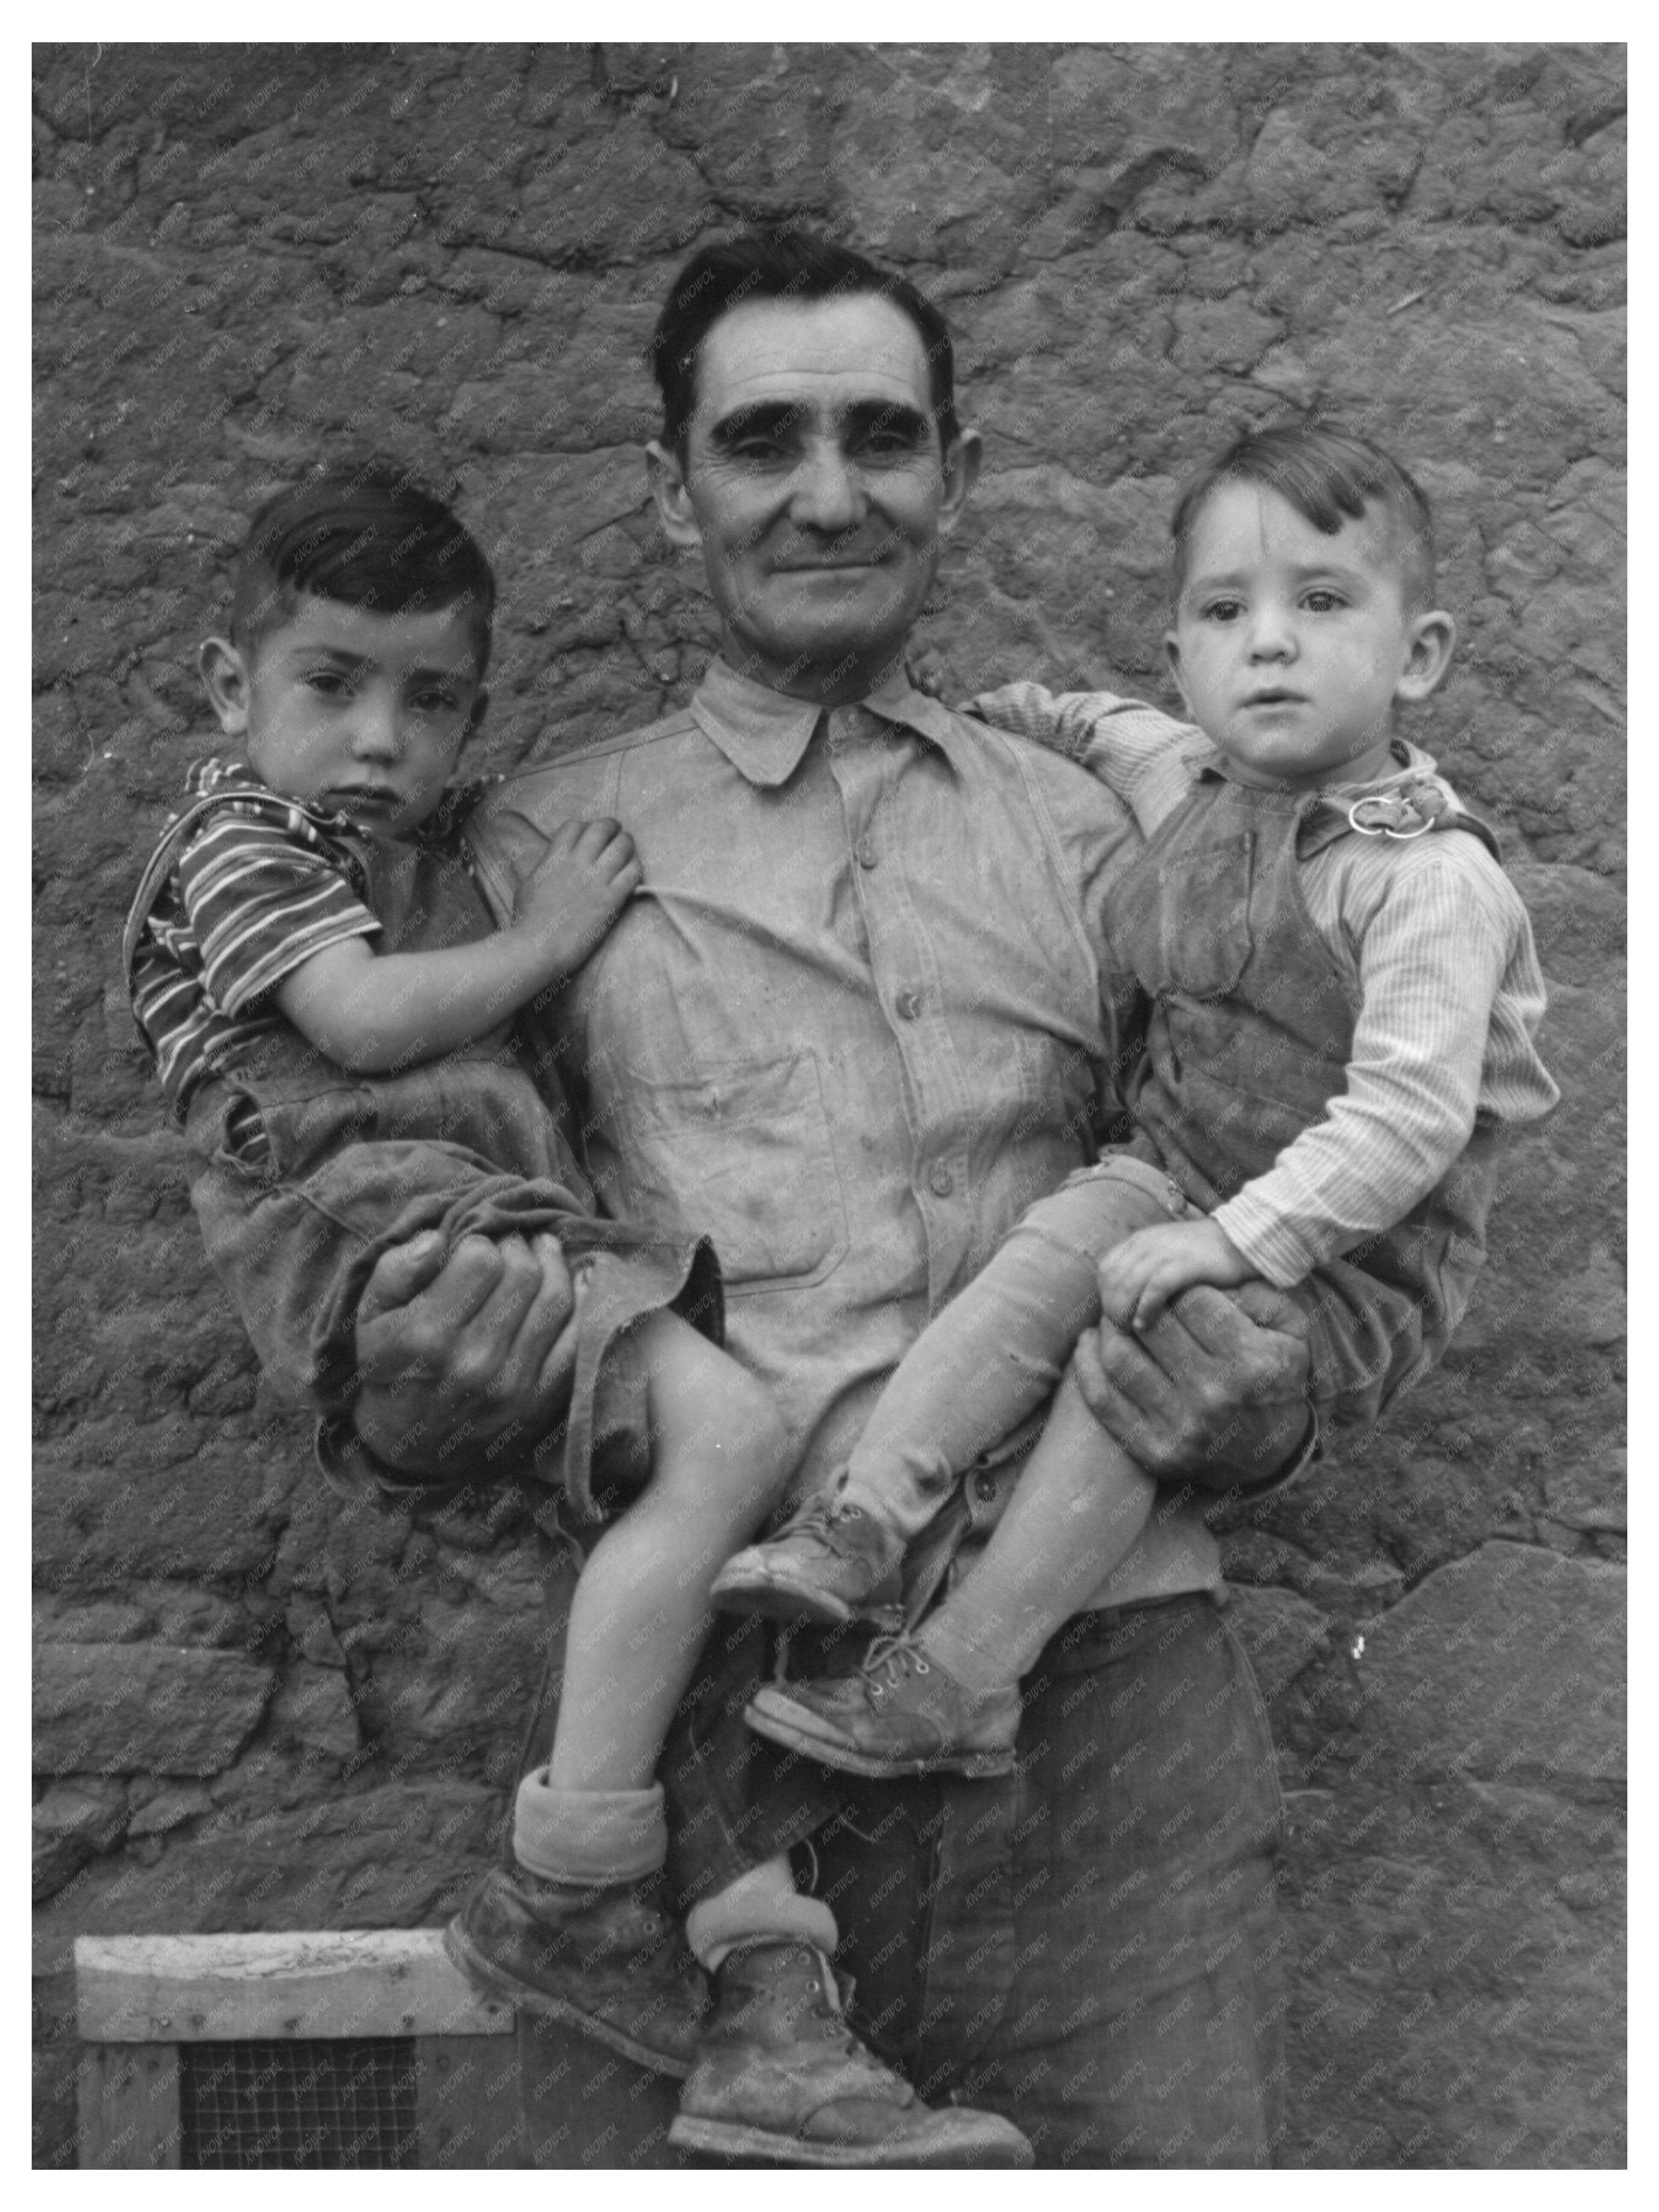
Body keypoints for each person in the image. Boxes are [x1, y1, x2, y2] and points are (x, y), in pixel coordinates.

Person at [237, 231, 1509, 2168]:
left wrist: (1295, 1374)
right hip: (722, 1752)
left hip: (1110, 1713)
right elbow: (376, 1228)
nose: (827, 493)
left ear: (956, 469)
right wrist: (414, 1365)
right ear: (675, 490)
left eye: (879, 438)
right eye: (763, 442)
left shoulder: (1131, 826)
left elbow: (1354, 1159)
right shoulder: (530, 857)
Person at [121, 466, 860, 2093]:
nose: (383, 738)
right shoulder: (244, 840)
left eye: (432, 699)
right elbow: (368, 1026)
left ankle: (752, 1946)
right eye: (334, 684)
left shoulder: (387, 836)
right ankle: (575, 1879)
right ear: (226, 687)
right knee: (730, 1441)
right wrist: (561, 931)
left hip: (472, 1216)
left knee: (666, 1564)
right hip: (384, 1223)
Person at [715, 422, 1557, 1784]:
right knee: (1041, 1256)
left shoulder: (1423, 882)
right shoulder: (1198, 781)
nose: (1269, 644)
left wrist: (1232, 1246)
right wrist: (993, 723)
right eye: (1227, 612)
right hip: (1177, 1170)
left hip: (1341, 1266)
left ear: (1422, 656)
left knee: (1136, 1368)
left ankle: (961, 1676)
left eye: (1322, 602)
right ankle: (865, 1516)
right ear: (1182, 660)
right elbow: (1097, 722)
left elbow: (1407, 1123)